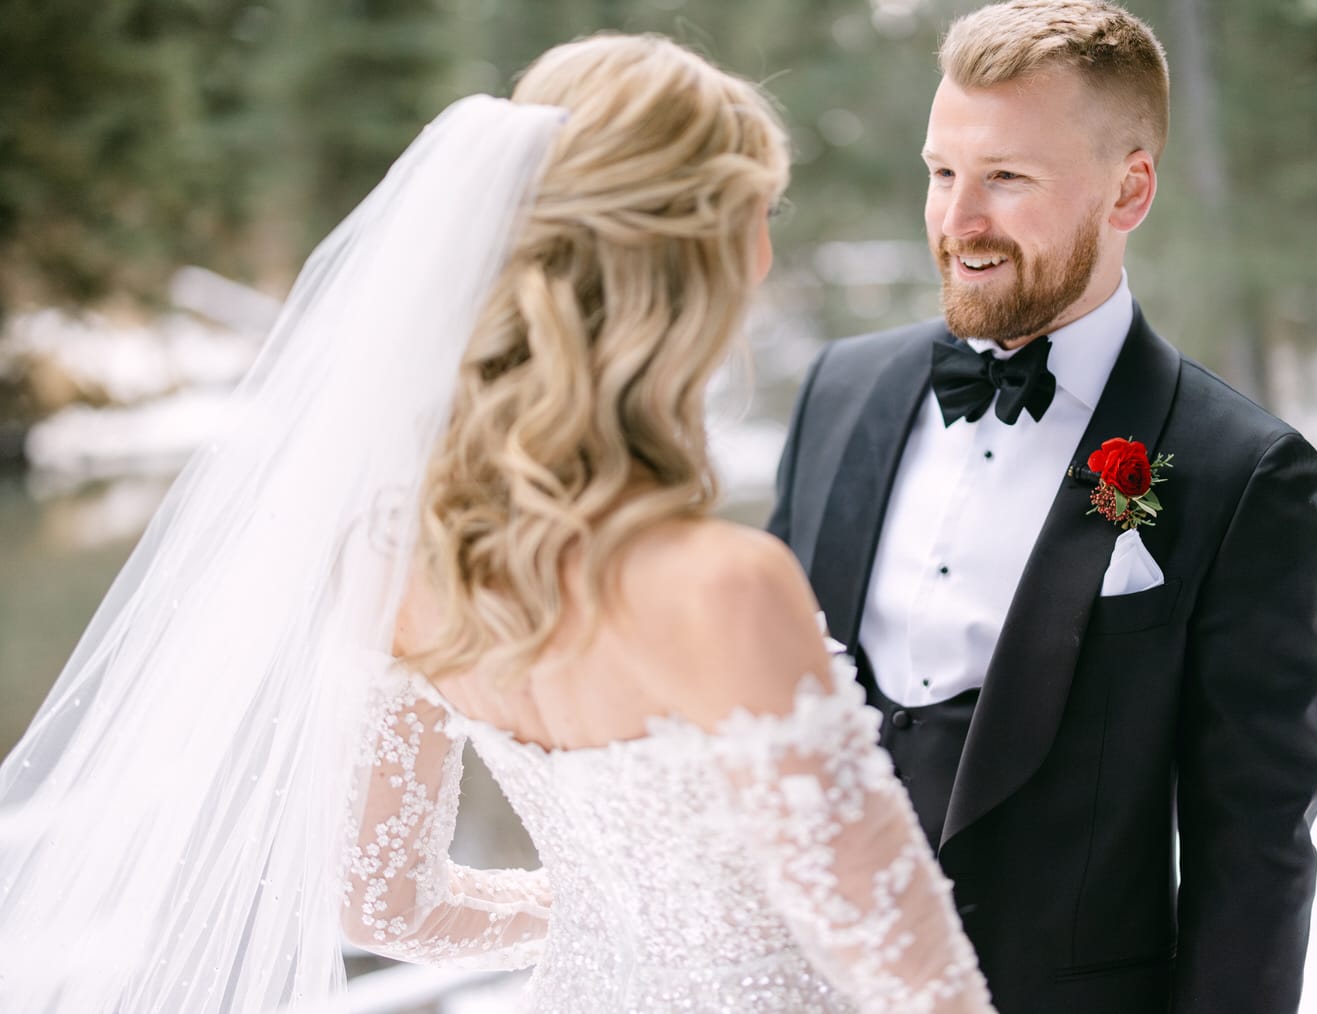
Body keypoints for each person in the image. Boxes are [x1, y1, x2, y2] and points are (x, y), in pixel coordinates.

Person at [0, 35, 994, 1014]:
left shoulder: (402, 562)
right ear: (689, 261)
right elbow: (920, 984)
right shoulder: (724, 586)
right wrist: (701, 928)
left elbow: (391, 902)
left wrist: (616, 915)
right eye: (758, 213)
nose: (768, 254)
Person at [767, 3, 1317, 1012]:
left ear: (1130, 189)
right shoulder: (838, 390)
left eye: (1008, 178)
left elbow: (1253, 850)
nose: (959, 219)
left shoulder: (1240, 470)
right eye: (943, 174)